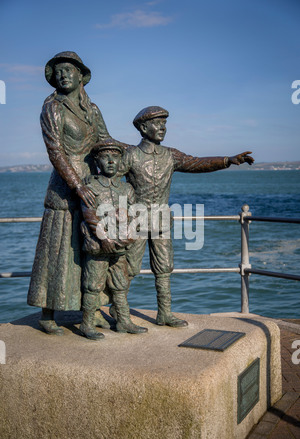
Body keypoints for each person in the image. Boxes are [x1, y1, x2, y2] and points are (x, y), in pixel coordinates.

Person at [115, 106, 254, 328]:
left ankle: (164, 314)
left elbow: (197, 163)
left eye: (164, 124)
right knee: (128, 267)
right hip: (136, 218)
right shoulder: (130, 155)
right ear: (143, 127)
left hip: (161, 219)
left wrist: (228, 160)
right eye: (157, 123)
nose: (162, 128)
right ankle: (120, 315)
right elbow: (112, 180)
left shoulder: (170, 155)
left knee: (164, 268)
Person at [27, 51, 117, 335]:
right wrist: (77, 186)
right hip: (66, 188)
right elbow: (55, 151)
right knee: (59, 250)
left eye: (68, 70)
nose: (63, 75)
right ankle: (47, 313)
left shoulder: (93, 109)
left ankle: (91, 310)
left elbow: (107, 141)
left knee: (91, 250)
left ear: (81, 75)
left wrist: (138, 151)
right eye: (58, 72)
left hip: (94, 186)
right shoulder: (52, 107)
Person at [79, 139, 148, 340]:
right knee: (93, 285)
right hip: (98, 247)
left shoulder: (126, 189)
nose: (111, 161)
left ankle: (123, 320)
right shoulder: (90, 186)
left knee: (120, 284)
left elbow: (135, 214)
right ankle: (87, 323)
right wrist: (104, 238)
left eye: (116, 157)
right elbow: (89, 214)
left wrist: (129, 236)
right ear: (97, 161)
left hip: (120, 247)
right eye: (105, 157)